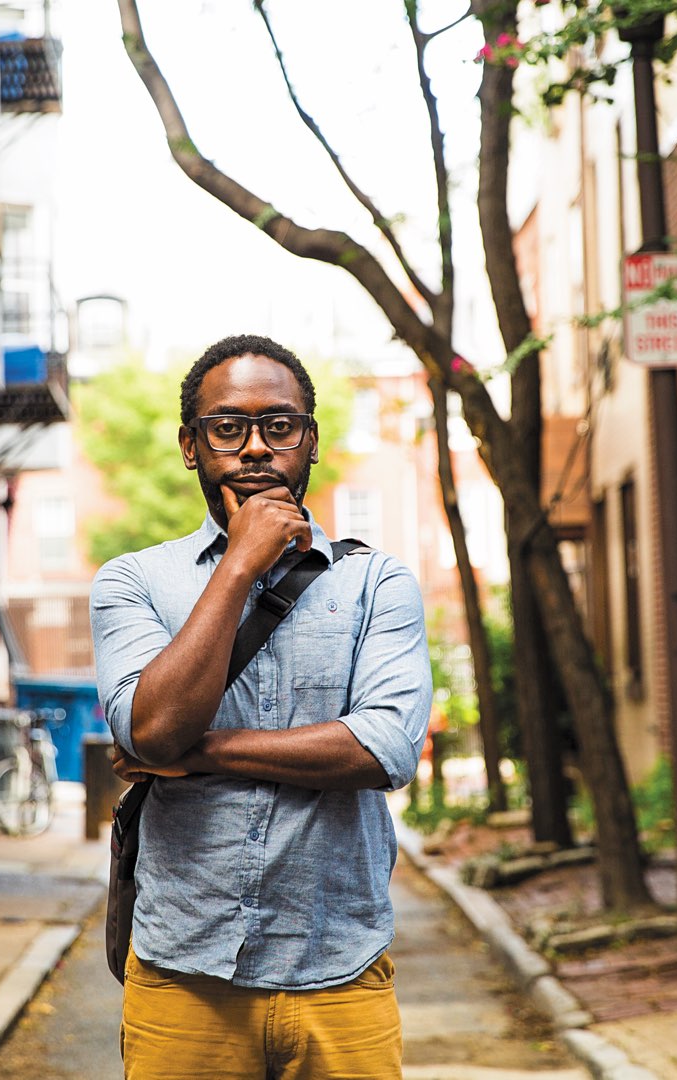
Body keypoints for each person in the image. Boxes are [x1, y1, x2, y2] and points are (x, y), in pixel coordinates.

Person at [90, 333, 432, 1079]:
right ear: (192, 445)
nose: (255, 449)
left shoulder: (379, 584)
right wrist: (241, 563)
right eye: (228, 428)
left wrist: (200, 753)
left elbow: (382, 751)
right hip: (185, 975)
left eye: (279, 427)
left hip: (341, 971)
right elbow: (151, 729)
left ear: (309, 442)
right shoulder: (133, 582)